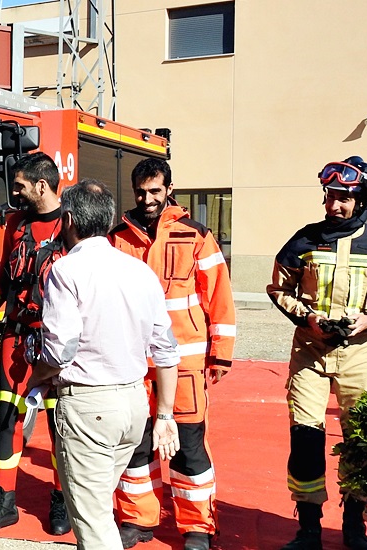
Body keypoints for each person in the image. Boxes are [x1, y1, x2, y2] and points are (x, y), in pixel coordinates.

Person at [266, 156, 367, 550]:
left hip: (358, 355)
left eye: (344, 198)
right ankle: (309, 530)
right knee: (306, 439)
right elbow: (279, 289)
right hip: (310, 353)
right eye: (330, 196)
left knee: (360, 442)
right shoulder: (304, 239)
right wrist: (306, 318)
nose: (335, 205)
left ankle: (354, 528)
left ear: (362, 200)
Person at [29, 179, 179, 549]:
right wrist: (164, 415)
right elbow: (166, 350)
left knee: (93, 520)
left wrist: (37, 376)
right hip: (133, 405)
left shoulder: (66, 271)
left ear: (67, 220)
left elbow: (60, 347)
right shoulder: (140, 271)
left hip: (89, 406)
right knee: (96, 507)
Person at [108, 158, 236, 550]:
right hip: (132, 363)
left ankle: (197, 527)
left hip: (184, 363)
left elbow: (219, 295)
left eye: (155, 191)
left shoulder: (195, 235)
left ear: (169, 189)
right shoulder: (118, 238)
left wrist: (221, 354)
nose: (147, 199)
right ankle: (137, 518)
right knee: (135, 444)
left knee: (189, 445)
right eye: (141, 192)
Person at [0, 151, 70, 536]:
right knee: (6, 418)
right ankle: (5, 502)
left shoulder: (72, 223)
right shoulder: (16, 223)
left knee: (59, 423)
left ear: (41, 185)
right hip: (17, 335)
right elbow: (2, 279)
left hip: (57, 340)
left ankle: (62, 501)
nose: (13, 192)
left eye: (20, 186)